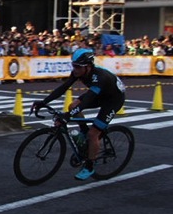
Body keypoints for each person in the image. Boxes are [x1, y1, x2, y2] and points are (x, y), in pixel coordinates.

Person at [31, 47, 126, 181]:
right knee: (72, 106)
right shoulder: (78, 72)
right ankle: (84, 133)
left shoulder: (99, 78)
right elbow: (63, 88)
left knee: (93, 134)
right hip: (99, 94)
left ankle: (89, 166)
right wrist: (44, 102)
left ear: (88, 66)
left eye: (77, 66)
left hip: (113, 100)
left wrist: (67, 116)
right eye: (73, 65)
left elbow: (86, 101)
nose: (74, 69)